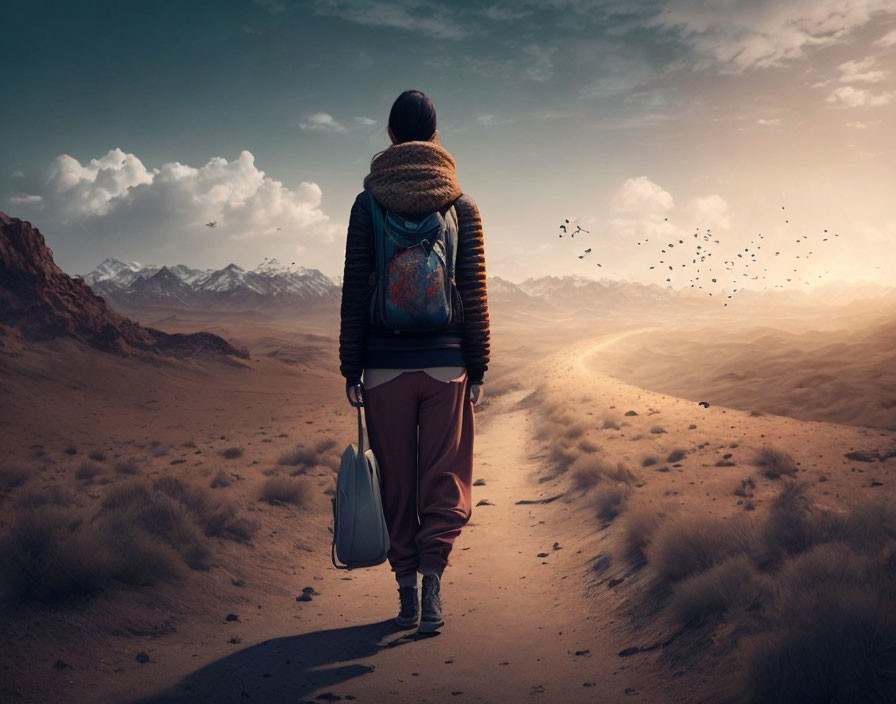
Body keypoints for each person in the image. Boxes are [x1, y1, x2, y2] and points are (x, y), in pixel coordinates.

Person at [338, 89, 490, 633]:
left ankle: (403, 592)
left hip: (382, 366)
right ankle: (433, 592)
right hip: (447, 364)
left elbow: (355, 289)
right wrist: (479, 366)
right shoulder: (461, 204)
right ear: (435, 134)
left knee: (396, 483)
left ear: (391, 134)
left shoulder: (367, 203)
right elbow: (473, 291)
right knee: (444, 478)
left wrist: (350, 365)